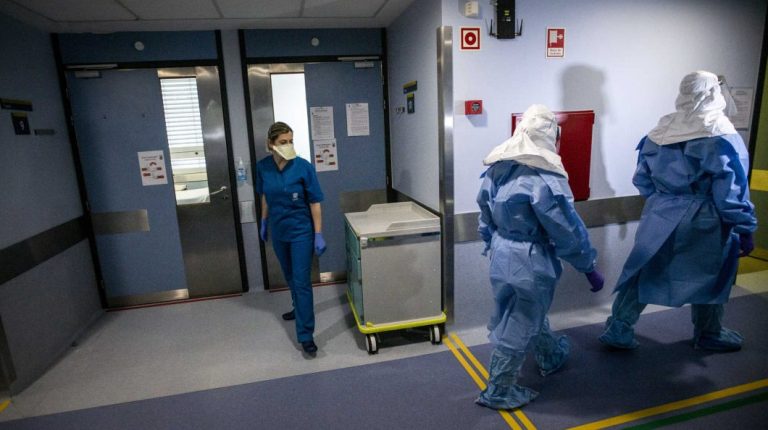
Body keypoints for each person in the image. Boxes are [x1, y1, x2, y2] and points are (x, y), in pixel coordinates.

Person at [599, 71, 757, 352]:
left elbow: (642, 178)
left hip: (660, 214)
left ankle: (619, 327)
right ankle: (709, 333)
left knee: (644, 269)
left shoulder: (661, 131)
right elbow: (730, 192)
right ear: (713, 93)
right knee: (711, 275)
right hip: (705, 219)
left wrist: (665, 201)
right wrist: (744, 227)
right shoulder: (720, 134)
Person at [476, 104, 605, 410]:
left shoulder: (498, 168)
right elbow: (567, 229)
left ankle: (549, 354)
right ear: (550, 135)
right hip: (530, 258)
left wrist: (490, 242)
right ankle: (499, 389)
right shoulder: (544, 178)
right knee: (522, 319)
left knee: (523, 309)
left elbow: (484, 211)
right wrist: (588, 267)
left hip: (501, 252)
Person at [256, 121, 327, 356]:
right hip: (279, 232)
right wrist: (263, 221)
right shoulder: (263, 167)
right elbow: (265, 196)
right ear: (271, 144)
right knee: (290, 276)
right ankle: (298, 309)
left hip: (301, 232)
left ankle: (306, 335)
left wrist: (318, 233)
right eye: (283, 142)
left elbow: (314, 202)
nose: (288, 145)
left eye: (291, 141)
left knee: (302, 281)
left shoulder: (303, 167)